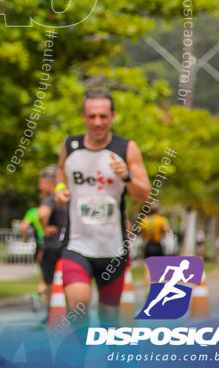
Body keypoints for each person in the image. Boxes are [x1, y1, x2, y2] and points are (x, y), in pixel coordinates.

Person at [55, 90, 150, 328]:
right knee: (78, 305)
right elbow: (60, 171)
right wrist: (59, 189)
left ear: (113, 116)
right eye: (92, 116)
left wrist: (127, 176)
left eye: (103, 116)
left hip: (113, 248)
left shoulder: (126, 148)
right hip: (77, 245)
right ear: (84, 117)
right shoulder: (70, 145)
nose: (98, 122)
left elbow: (145, 194)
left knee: (110, 318)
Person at [37, 164, 68, 323]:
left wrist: (44, 227)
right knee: (68, 281)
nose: (40, 186)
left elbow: (42, 214)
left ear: (51, 182)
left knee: (49, 282)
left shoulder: (51, 199)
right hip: (67, 246)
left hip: (52, 247)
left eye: (42, 182)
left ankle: (50, 314)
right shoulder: (69, 196)